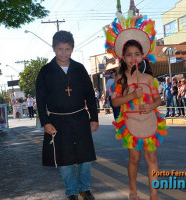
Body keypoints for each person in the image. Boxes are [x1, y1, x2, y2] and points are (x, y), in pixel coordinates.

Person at [104, 13, 167, 200]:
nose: (133, 58)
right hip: (130, 123)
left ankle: (154, 195)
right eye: (129, 55)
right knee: (135, 159)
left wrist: (151, 106)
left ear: (142, 56)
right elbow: (115, 102)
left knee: (152, 159)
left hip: (149, 121)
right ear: (123, 57)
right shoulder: (120, 79)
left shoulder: (149, 78)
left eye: (137, 55)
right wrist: (131, 95)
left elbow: (158, 100)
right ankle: (133, 189)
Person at [36, 30, 98, 200]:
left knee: (85, 157)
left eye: (67, 49)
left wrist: (94, 117)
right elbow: (40, 100)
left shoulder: (79, 69)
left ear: (72, 48)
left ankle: (84, 188)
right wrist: (45, 122)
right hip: (57, 120)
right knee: (64, 159)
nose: (64, 52)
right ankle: (71, 190)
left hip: (79, 118)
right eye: (60, 49)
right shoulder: (46, 71)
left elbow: (90, 95)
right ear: (54, 48)